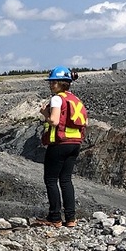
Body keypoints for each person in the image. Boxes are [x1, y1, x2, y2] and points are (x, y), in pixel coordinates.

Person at [34, 66, 87, 228]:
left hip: (59, 144)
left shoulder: (57, 99)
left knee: (51, 180)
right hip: (75, 143)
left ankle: (54, 217)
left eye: (53, 82)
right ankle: (70, 218)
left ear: (61, 83)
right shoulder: (76, 100)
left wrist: (45, 113)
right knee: (66, 180)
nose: (51, 85)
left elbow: (55, 121)